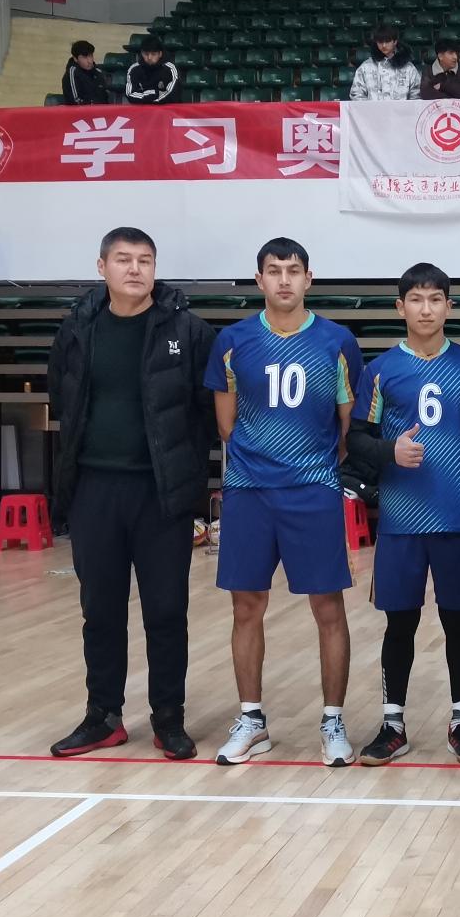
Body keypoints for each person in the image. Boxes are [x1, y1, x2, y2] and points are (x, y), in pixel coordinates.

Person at [47, 228, 216, 761]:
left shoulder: (188, 330)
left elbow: (205, 412)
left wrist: (186, 476)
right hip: (94, 488)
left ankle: (168, 718)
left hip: (161, 493)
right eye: (123, 259)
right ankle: (103, 716)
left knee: (166, 610)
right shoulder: (77, 329)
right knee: (100, 610)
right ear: (102, 267)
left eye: (145, 260)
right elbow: (61, 399)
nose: (135, 269)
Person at [206, 237, 365, 767]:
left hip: (313, 490)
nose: (283, 280)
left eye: (293, 270)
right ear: (259, 280)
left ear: (308, 279)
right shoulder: (232, 341)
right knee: (246, 606)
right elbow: (226, 424)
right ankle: (251, 720)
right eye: (273, 271)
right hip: (249, 491)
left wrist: (311, 465)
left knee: (328, 607)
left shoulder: (337, 341)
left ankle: (333, 721)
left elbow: (346, 424)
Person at [345, 263, 460, 765]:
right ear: (400, 307)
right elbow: (356, 439)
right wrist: (389, 452)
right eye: (416, 299)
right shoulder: (380, 370)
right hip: (401, 521)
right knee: (400, 623)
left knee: (459, 621)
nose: (426, 309)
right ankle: (393, 725)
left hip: (458, 517)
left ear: (449, 307)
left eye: (435, 299)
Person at [349, 22, 420, 100]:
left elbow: (416, 95)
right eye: (380, 42)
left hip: (402, 108)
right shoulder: (365, 67)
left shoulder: (408, 68)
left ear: (395, 41)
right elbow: (356, 94)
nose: (384, 45)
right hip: (373, 108)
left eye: (387, 41)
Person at [124, 35, 183, 105]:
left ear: (160, 54)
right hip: (143, 109)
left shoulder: (170, 69)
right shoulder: (134, 69)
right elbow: (130, 94)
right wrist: (154, 93)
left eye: (153, 54)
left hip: (166, 109)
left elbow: (172, 95)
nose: (149, 57)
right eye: (146, 54)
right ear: (142, 53)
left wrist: (148, 99)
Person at [62, 40, 110, 105]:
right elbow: (76, 101)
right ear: (75, 59)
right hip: (81, 111)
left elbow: (105, 97)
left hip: (101, 109)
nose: (89, 61)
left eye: (90, 56)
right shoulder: (72, 73)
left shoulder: (98, 72)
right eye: (84, 57)